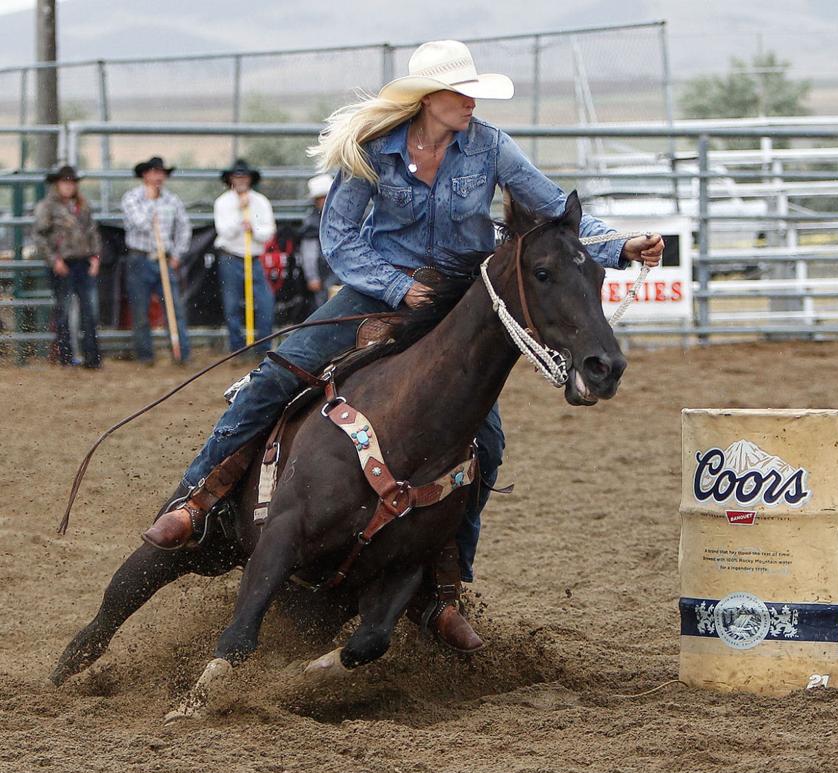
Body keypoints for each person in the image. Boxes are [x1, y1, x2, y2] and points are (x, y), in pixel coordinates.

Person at [142, 40, 664, 652]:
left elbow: (554, 211)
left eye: (472, 93)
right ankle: (197, 499)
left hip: (462, 299)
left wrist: (622, 246)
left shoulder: (491, 147)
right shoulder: (372, 152)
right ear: (427, 100)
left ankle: (444, 589)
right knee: (274, 381)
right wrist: (397, 285)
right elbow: (338, 240)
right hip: (374, 289)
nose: (471, 102)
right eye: (460, 92)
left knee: (485, 444)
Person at [120, 156, 192, 365]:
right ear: (145, 175)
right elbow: (140, 223)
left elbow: (184, 227)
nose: (158, 176)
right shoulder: (132, 198)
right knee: (140, 311)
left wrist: (177, 254)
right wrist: (151, 203)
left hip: (164, 259)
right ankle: (145, 356)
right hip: (139, 259)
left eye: (161, 172)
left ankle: (181, 354)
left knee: (174, 309)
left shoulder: (172, 200)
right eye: (154, 172)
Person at [32, 165, 103, 369]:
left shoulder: (82, 206)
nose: (69, 185)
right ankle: (66, 356)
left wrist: (95, 257)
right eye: (65, 181)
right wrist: (54, 259)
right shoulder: (47, 207)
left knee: (89, 311)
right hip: (63, 263)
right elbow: (39, 235)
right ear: (58, 184)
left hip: (83, 262)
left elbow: (93, 233)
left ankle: (92, 357)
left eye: (72, 182)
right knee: (64, 311)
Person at [214, 159, 277, 356]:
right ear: (231, 179)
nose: (241, 179)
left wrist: (254, 229)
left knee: (265, 302)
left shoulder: (261, 202)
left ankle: (263, 349)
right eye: (237, 176)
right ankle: (237, 350)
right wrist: (240, 217)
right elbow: (224, 231)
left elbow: (269, 232)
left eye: (244, 176)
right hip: (230, 257)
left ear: (250, 179)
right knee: (231, 304)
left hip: (254, 258)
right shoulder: (222, 202)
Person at [298, 173, 335, 308]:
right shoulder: (312, 223)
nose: (325, 201)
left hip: (341, 271)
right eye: (321, 197)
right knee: (324, 308)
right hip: (323, 272)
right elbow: (309, 254)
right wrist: (312, 277)